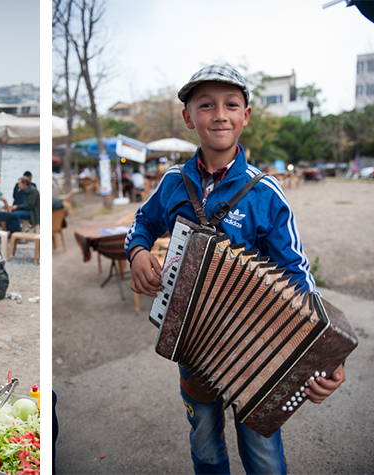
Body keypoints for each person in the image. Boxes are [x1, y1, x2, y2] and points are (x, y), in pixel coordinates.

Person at [125, 65, 345, 474]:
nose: (219, 115)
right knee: (204, 442)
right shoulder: (173, 183)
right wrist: (137, 251)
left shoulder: (265, 193)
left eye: (231, 105)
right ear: (190, 117)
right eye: (206, 105)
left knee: (263, 453)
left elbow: (297, 273)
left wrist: (324, 350)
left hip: (258, 348)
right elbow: (141, 224)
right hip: (191, 342)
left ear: (246, 116)